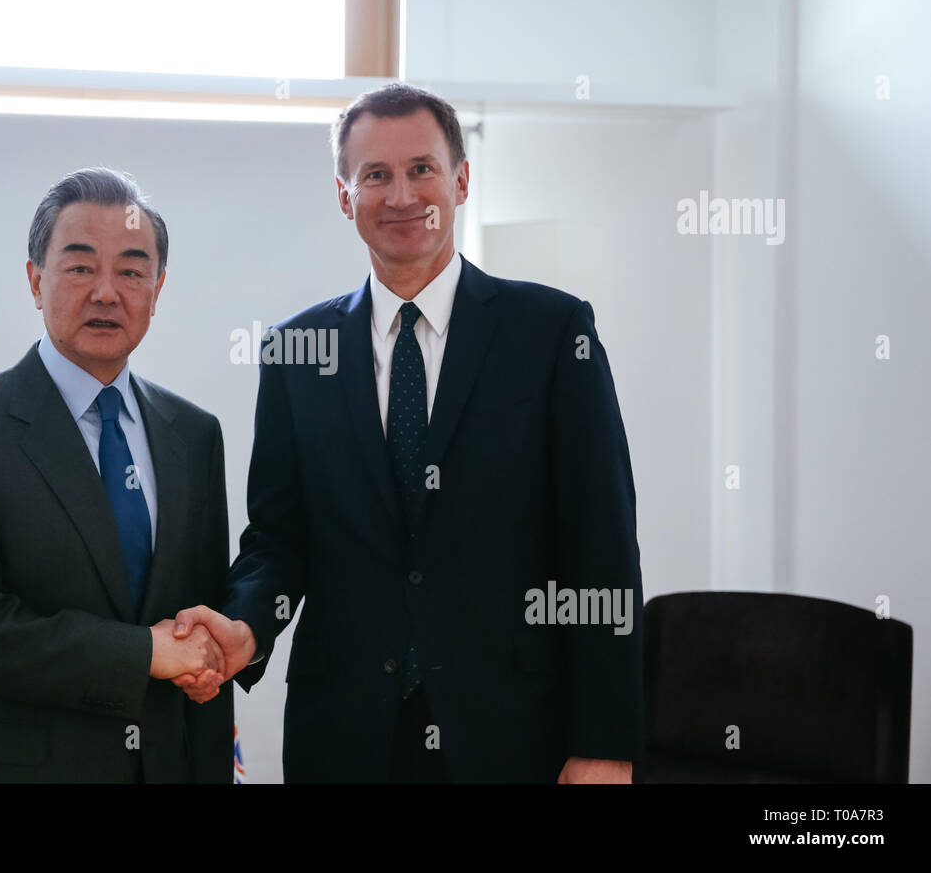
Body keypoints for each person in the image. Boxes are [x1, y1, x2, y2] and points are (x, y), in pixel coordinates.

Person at [171, 83, 644, 783]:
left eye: (421, 168)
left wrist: (606, 741)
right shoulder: (297, 350)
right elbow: (280, 538)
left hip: (512, 733)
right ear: (344, 195)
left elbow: (601, 546)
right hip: (345, 733)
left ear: (460, 179)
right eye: (375, 175)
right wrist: (245, 627)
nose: (401, 195)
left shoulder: (550, 334)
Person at [0, 167, 232, 782]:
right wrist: (146, 654)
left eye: (132, 271)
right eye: (80, 267)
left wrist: (214, 659)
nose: (107, 291)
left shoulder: (194, 434)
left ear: (157, 289)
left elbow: (201, 612)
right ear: (35, 280)